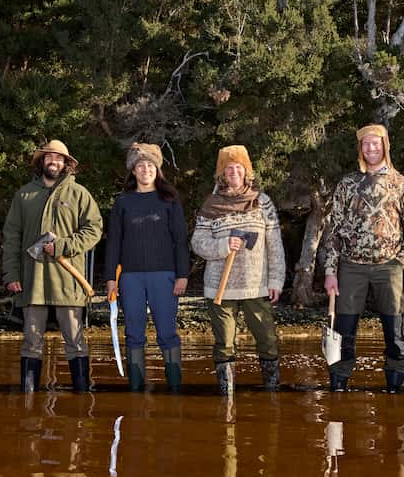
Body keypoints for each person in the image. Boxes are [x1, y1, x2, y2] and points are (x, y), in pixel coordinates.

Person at [320, 124, 404, 393]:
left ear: (385, 145)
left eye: (376, 143)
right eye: (366, 144)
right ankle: (339, 386)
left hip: (389, 267)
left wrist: (402, 260)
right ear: (360, 148)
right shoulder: (348, 184)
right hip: (351, 268)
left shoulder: (401, 184)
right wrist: (330, 271)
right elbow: (333, 230)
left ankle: (394, 389)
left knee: (394, 333)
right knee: (344, 333)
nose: (371, 148)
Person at [1, 139, 103, 393]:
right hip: (31, 281)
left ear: (66, 164)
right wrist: (11, 274)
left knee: (75, 341)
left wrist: (63, 246)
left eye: (59, 158)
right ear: (41, 162)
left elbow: (94, 230)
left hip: (69, 281)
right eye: (50, 157)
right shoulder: (24, 195)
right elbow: (11, 237)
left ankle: (82, 398)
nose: (54, 162)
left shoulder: (79, 194)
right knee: (31, 342)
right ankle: (29, 400)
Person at [190, 145, 286, 395]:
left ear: (246, 171)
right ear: (221, 174)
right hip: (220, 289)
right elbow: (197, 243)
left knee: (268, 340)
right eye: (228, 168)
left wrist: (276, 279)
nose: (233, 172)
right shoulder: (210, 205)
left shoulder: (262, 202)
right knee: (224, 344)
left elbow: (274, 244)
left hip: (256, 285)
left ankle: (272, 393)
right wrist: (223, 245)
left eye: (238, 167)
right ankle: (227, 397)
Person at [103, 142, 189, 392]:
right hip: (130, 278)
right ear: (133, 171)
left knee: (167, 333)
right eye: (140, 165)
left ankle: (174, 389)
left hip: (164, 276)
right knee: (134, 334)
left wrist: (182, 275)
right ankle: (136, 389)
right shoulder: (123, 203)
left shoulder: (170, 200)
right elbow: (114, 243)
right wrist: (111, 279)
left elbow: (180, 240)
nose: (145, 169)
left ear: (157, 169)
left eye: (150, 165)